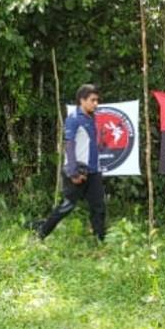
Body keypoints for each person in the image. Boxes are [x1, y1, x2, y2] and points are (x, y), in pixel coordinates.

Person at [31, 84, 107, 242]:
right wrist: (73, 172)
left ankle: (100, 241)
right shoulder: (73, 119)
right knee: (67, 207)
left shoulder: (92, 118)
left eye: (97, 100)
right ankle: (41, 234)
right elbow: (69, 145)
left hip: (94, 172)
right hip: (77, 172)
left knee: (98, 207)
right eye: (92, 100)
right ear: (82, 100)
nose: (96, 104)